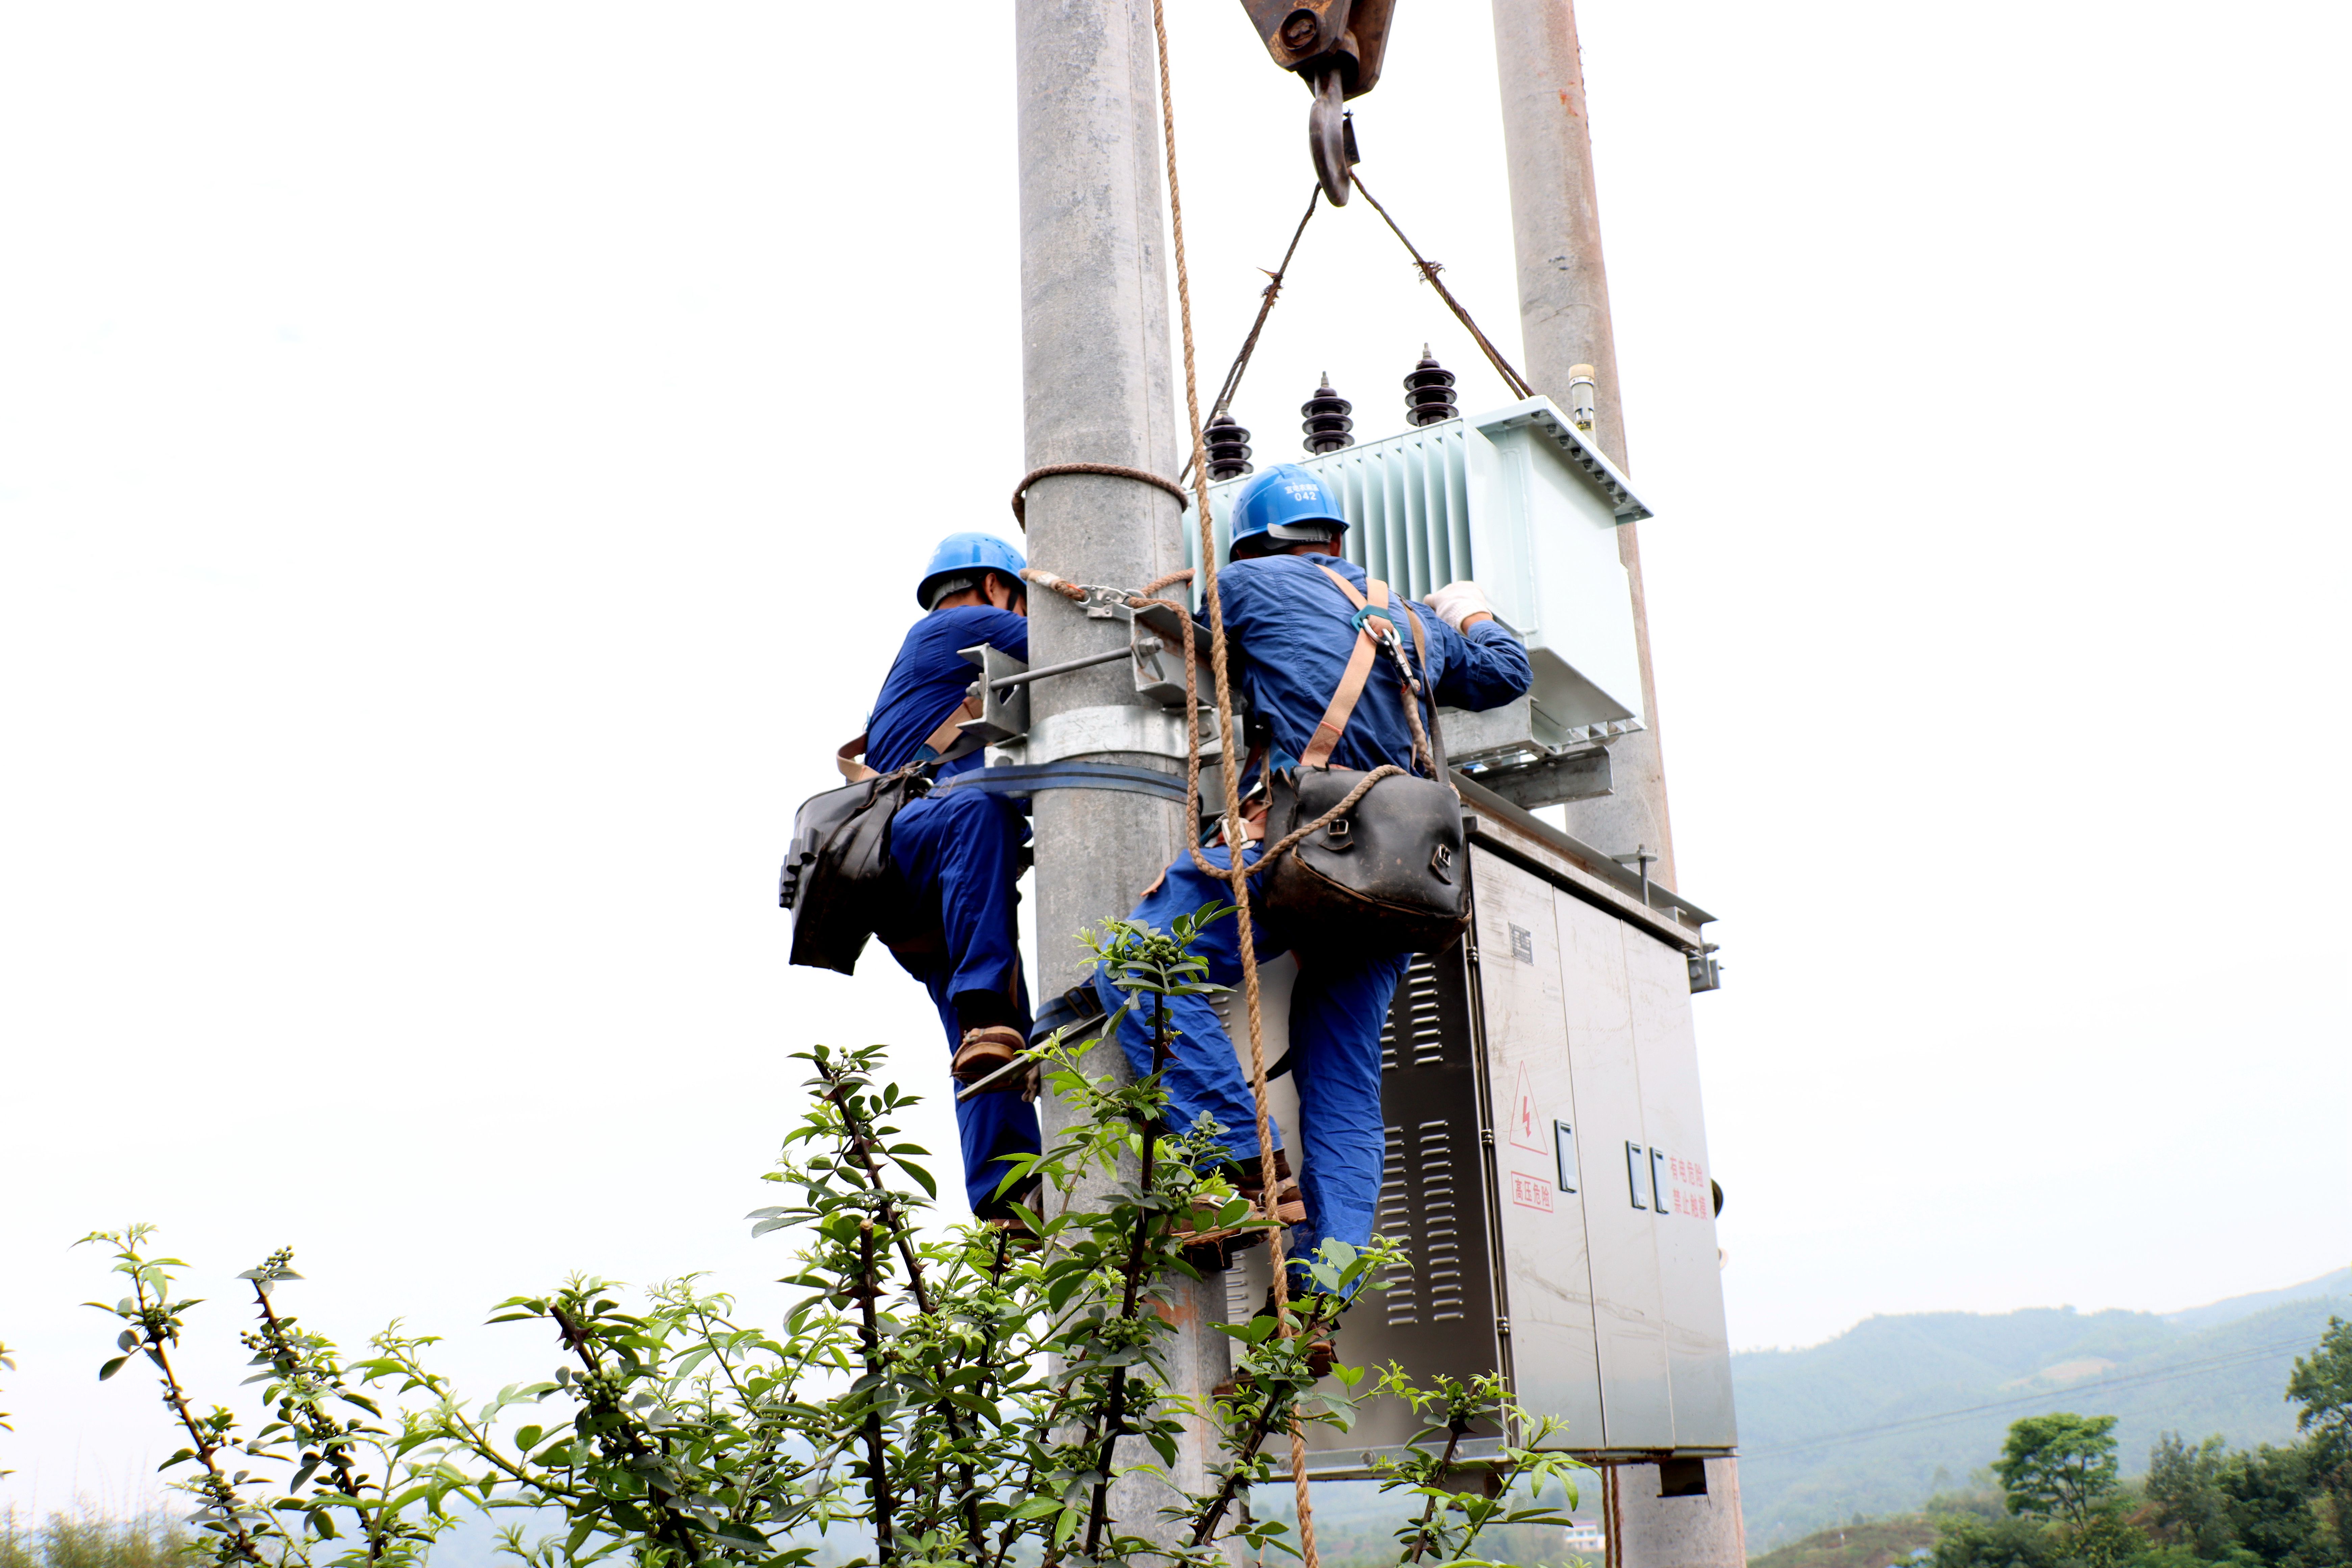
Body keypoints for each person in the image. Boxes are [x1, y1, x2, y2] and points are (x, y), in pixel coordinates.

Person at [1094, 463, 1533, 1297]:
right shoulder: (1408, 620)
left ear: (1255, 542)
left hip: (1298, 845)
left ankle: (1242, 1164)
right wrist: (1464, 606)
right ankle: (1323, 1291)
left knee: (1146, 965)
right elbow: (1508, 672)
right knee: (1344, 1081)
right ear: (1336, 539)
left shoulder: (1244, 586)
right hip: (1396, 877)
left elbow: (1186, 642)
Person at [862, 532, 1039, 1223]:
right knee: (983, 804)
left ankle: (1005, 1195)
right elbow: (1072, 642)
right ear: (997, 586)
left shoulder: (939, 655)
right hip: (928, 836)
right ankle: (984, 1006)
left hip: (909, 876)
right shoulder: (962, 624)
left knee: (989, 1043)